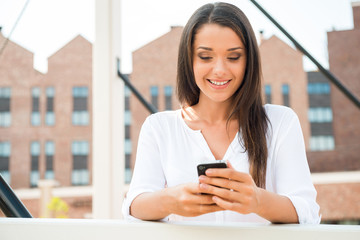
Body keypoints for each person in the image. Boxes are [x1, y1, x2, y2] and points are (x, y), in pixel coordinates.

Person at [122, 2, 320, 224]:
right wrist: (172, 200)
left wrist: (258, 201)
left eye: (233, 57)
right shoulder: (159, 127)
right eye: (206, 57)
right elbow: (134, 206)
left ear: (249, 61)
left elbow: (307, 212)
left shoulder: (280, 122)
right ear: (189, 61)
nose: (219, 70)